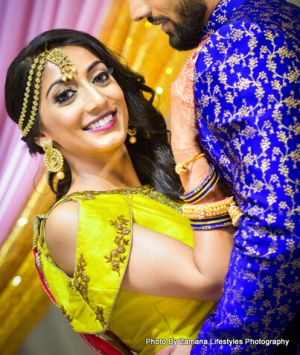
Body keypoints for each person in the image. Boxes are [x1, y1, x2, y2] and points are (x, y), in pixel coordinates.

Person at [98, 0, 300, 354]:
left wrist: (215, 348)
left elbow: (282, 223)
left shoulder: (239, 45)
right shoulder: (286, 19)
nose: (136, 11)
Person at [5, 29, 240, 354]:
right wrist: (187, 146)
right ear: (41, 134)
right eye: (65, 95)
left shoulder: (164, 175)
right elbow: (215, 277)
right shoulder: (71, 220)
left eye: (100, 77)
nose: (98, 99)